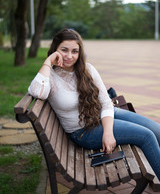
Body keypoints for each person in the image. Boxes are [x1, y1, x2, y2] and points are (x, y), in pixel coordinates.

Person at [28, 28, 160, 181]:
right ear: (54, 50)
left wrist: (108, 132)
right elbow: (37, 92)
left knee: (156, 130)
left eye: (75, 51)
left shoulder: (87, 69)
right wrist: (48, 62)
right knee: (146, 136)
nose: (70, 56)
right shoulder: (50, 77)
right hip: (83, 131)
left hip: (103, 115)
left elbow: (106, 103)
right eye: (64, 50)